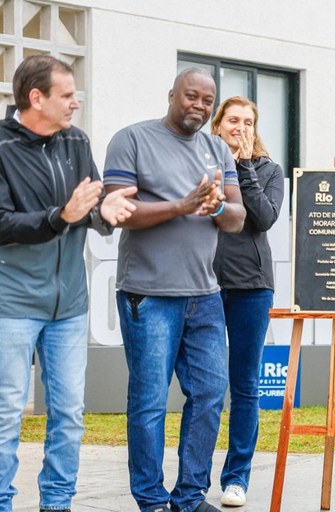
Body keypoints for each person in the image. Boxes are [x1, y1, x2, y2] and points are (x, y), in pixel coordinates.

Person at [103, 68, 246, 512]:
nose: (200, 106)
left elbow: (237, 217)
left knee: (209, 394)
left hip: (204, 295)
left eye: (208, 100)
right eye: (191, 97)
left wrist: (216, 204)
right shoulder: (132, 139)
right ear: (171, 95)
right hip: (148, 294)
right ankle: (150, 500)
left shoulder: (217, 148)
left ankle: (188, 498)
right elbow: (120, 212)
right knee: (148, 403)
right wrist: (182, 206)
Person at [0, 55, 136, 512]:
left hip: (69, 306)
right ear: (35, 98)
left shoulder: (76, 141)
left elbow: (90, 200)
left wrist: (104, 213)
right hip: (12, 303)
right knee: (4, 417)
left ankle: (57, 504)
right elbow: (2, 223)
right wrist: (63, 217)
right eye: (66, 95)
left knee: (69, 416)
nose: (76, 103)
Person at [210, 97, 284, 507]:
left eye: (248, 121)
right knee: (204, 385)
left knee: (245, 385)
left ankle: (236, 477)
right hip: (202, 283)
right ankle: (195, 474)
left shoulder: (268, 170)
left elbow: (264, 217)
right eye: (232, 120)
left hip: (251, 287)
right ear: (217, 125)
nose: (240, 127)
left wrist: (242, 166)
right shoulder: (201, 162)